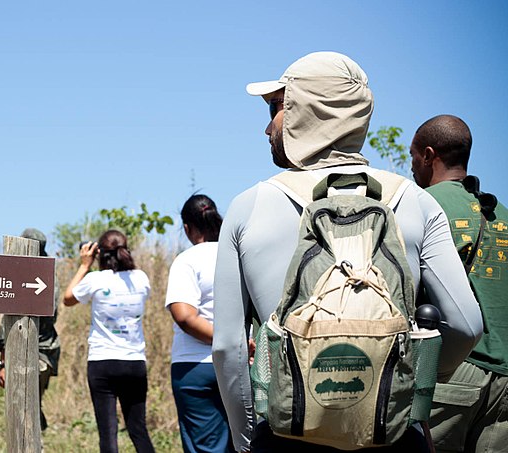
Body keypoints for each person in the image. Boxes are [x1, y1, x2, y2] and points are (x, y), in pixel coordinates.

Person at [212, 51, 484, 452]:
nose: (267, 126)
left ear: (305, 109)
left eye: (276, 107)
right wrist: (406, 379)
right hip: (388, 431)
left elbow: (228, 349)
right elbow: (466, 325)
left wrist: (246, 438)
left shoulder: (249, 206)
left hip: (288, 432)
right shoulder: (414, 201)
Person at [410, 115, 508, 452]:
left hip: (451, 373)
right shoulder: (502, 213)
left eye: (412, 156)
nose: (412, 166)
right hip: (505, 383)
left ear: (428, 154)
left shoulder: (422, 205)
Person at [63, 229, 155, 453]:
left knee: (108, 432)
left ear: (100, 253)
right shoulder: (141, 279)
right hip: (134, 362)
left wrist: (85, 265)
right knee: (138, 429)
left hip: (102, 362)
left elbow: (68, 299)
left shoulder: (95, 280)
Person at [166, 194, 233, 453]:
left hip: (194, 367)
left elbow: (185, 316)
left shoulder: (187, 260)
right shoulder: (238, 255)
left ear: (187, 227)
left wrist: (222, 340)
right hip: (239, 364)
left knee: (207, 447)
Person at [0, 227, 60, 431]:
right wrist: (2, 363)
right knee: (28, 407)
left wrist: (2, 362)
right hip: (41, 352)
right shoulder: (43, 274)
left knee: (25, 410)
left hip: (39, 352)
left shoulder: (42, 277)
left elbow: (12, 321)